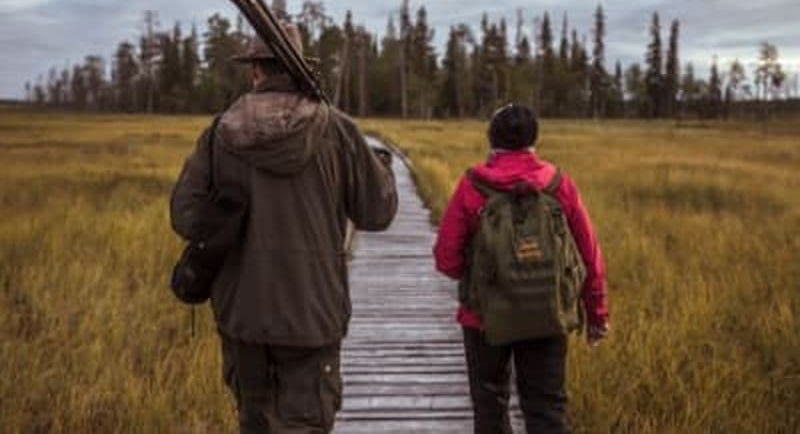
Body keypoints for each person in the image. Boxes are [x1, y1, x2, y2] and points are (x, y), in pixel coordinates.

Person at [170, 25, 398, 433]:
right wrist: (380, 169)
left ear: (255, 70)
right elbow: (377, 213)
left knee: (254, 423)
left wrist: (229, 211)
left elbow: (185, 217)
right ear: (296, 67)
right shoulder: (338, 129)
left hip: (243, 317)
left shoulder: (219, 132)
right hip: (313, 315)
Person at [433, 104, 609, 434]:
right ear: (534, 139)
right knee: (546, 411)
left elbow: (446, 258)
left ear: (491, 139)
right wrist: (597, 314)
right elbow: (589, 254)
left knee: (490, 409)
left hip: (484, 319)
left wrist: (480, 277)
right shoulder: (559, 185)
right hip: (548, 314)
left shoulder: (472, 186)